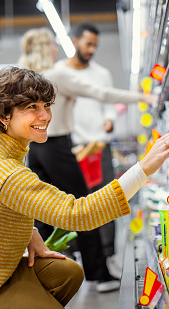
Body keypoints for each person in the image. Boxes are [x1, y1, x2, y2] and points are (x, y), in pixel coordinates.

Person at [0, 66, 169, 308]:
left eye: (46, 105)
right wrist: (143, 169)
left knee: (68, 273)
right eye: (31, 107)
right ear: (4, 115)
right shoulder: (3, 170)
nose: (45, 115)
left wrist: (28, 231)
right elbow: (77, 213)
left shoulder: (5, 151)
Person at [18, 27, 156, 292]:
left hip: (34, 149)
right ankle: (99, 274)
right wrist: (140, 96)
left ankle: (45, 274)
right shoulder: (58, 74)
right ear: (46, 48)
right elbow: (101, 93)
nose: (57, 50)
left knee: (43, 214)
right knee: (83, 208)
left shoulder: (28, 79)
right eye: (52, 46)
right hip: (57, 147)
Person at [65, 23, 125, 278]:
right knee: (75, 206)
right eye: (87, 44)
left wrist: (110, 119)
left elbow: (109, 106)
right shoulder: (62, 75)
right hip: (75, 150)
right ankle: (81, 259)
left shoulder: (102, 74)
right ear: (75, 41)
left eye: (95, 46)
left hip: (100, 148)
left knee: (106, 203)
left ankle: (106, 257)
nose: (91, 50)